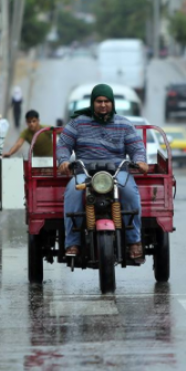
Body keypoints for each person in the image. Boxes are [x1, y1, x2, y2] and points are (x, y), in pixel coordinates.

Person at [56, 84, 148, 260]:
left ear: (112, 103)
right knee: (71, 193)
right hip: (85, 170)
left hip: (118, 171)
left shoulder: (124, 124)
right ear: (93, 102)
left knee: (130, 194)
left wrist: (140, 161)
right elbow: (63, 145)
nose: (103, 105)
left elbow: (136, 147)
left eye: (106, 101)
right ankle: (72, 243)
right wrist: (64, 161)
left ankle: (134, 241)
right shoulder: (78, 123)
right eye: (99, 101)